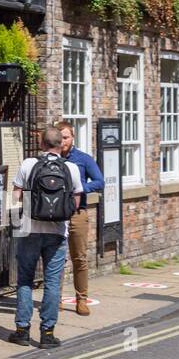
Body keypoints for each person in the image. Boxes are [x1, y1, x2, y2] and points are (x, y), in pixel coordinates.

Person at [9, 126, 83, 348]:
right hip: (57, 232)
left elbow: (15, 196)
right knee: (52, 283)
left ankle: (22, 331)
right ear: (61, 144)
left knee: (25, 280)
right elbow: (75, 202)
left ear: (41, 144)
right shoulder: (71, 168)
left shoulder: (28, 165)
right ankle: (47, 334)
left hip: (29, 230)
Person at [55, 120, 104, 316]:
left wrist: (82, 188)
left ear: (72, 137)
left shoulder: (83, 159)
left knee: (79, 258)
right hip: (56, 215)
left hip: (77, 213)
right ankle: (54, 299)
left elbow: (100, 181)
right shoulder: (52, 159)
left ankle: (81, 299)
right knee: (55, 258)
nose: (63, 141)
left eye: (66, 137)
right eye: (59, 138)